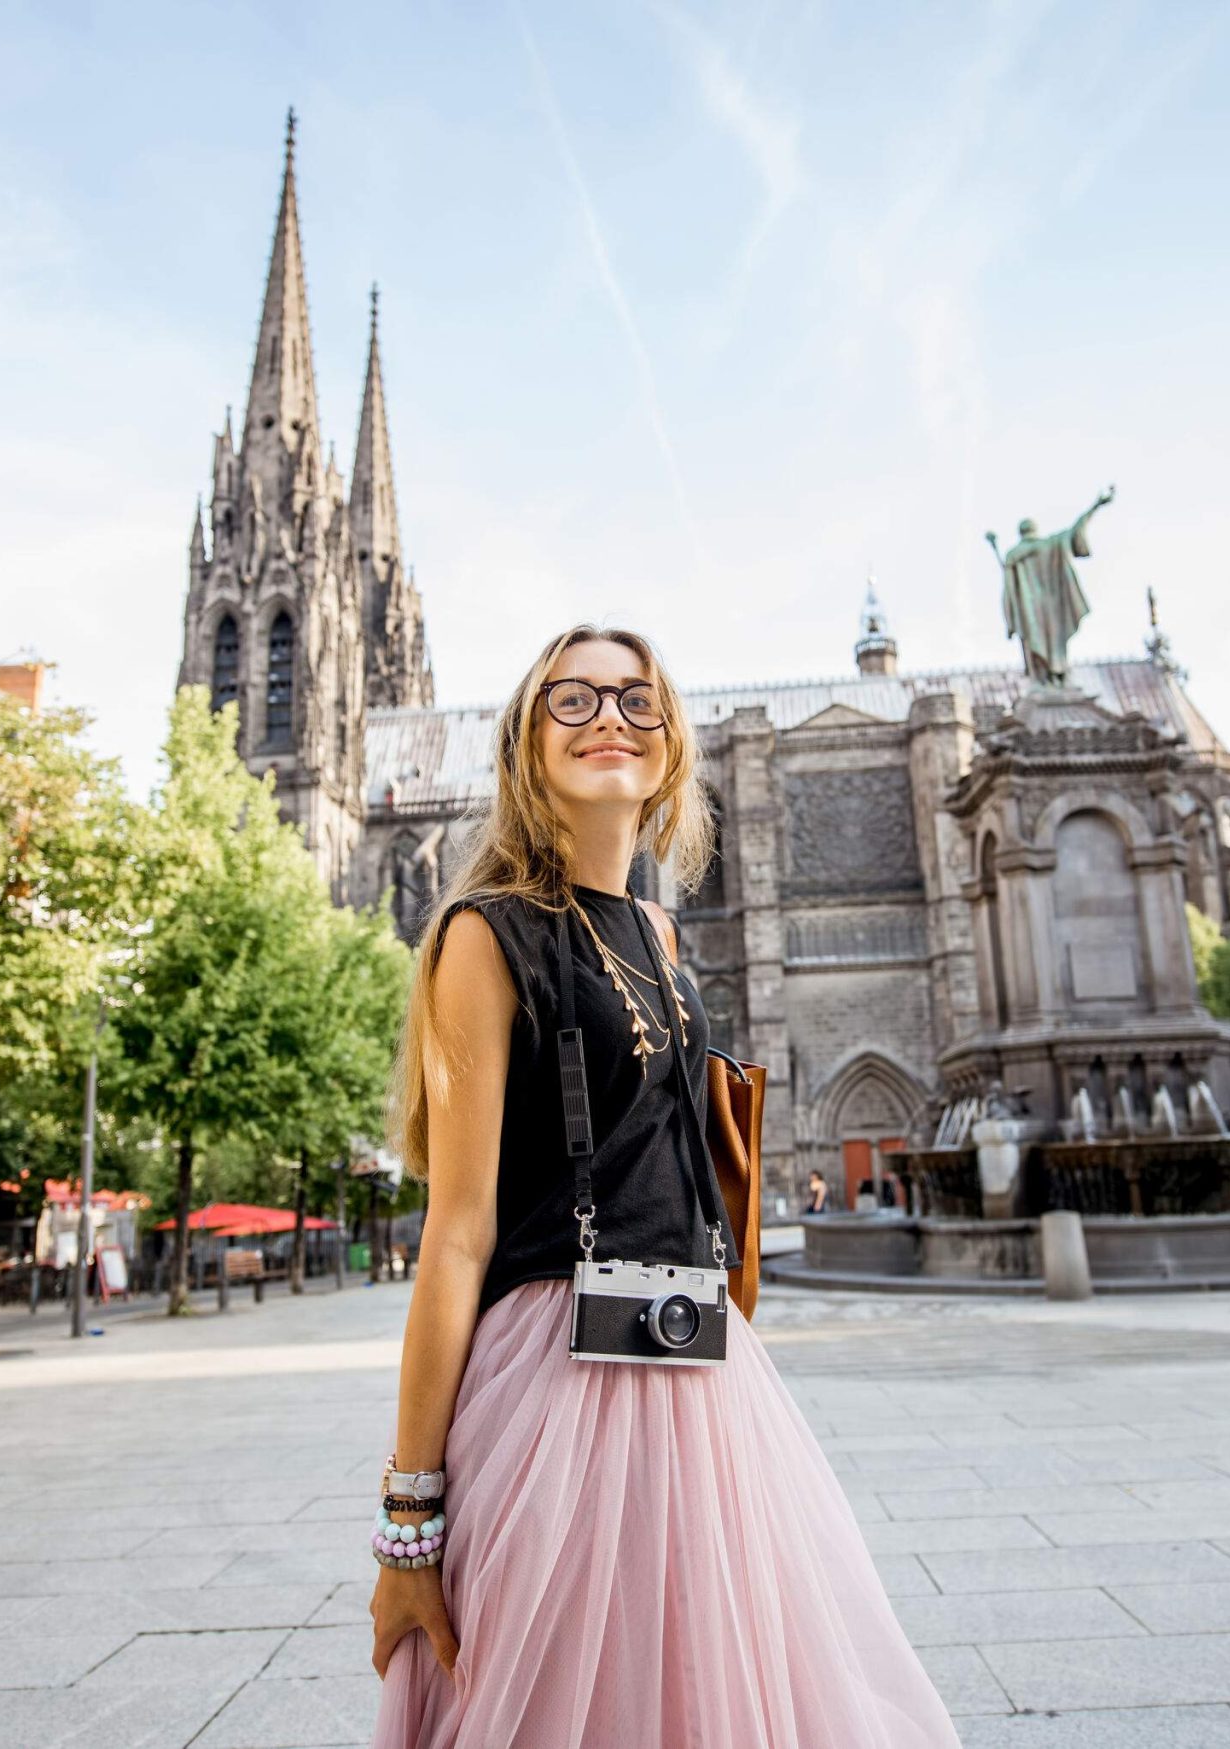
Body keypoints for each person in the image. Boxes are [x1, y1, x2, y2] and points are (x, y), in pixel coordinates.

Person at [371, 627, 957, 1748]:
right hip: (553, 1370)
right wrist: (409, 1527)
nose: (609, 718)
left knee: (708, 1696)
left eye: (638, 701)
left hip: (696, 1371)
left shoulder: (663, 933)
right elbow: (454, 1236)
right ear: (525, 739)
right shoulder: (480, 935)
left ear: (673, 747)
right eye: (574, 697)